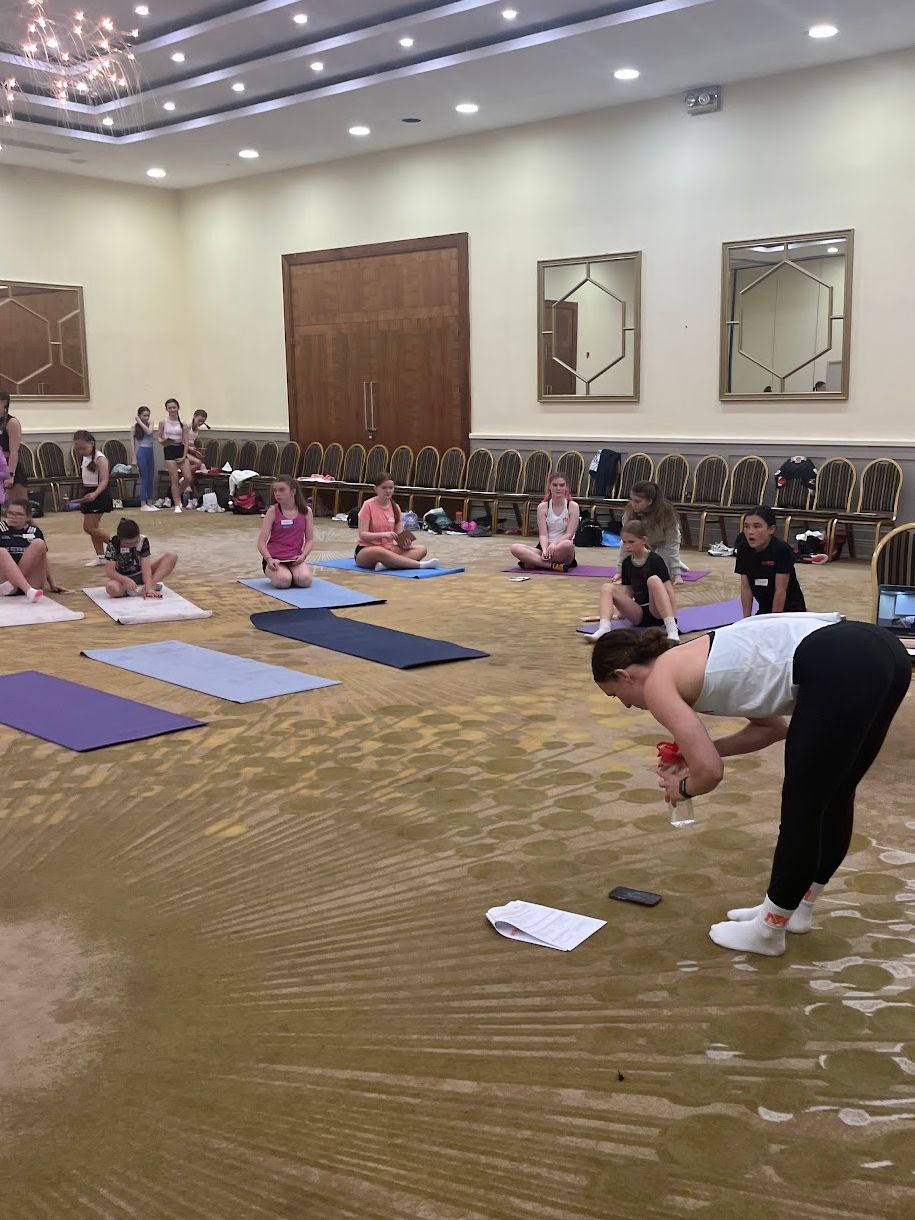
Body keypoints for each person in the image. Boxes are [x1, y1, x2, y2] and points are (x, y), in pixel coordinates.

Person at [590, 614, 911, 957]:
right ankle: (796, 909)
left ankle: (769, 932)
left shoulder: (659, 684)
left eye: (616, 695)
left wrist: (680, 789)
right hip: (884, 652)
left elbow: (709, 773)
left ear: (624, 675)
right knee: (833, 797)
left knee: (802, 810)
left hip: (840, 659)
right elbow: (771, 728)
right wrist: (699, 752)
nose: (627, 705)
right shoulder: (692, 660)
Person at [589, 521, 679, 643]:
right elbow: (629, 593)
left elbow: (669, 592)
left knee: (653, 580)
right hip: (639, 615)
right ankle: (604, 628)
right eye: (624, 542)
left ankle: (671, 629)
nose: (627, 546)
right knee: (607, 587)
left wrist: (674, 619)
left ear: (643, 540)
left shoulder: (655, 560)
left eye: (631, 542)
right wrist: (622, 612)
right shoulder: (626, 563)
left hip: (657, 613)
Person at [355, 473, 439, 570]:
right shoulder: (368, 505)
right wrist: (383, 535)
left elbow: (399, 535)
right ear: (376, 489)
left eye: (391, 488)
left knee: (421, 549)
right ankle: (419, 565)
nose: (388, 491)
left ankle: (387, 564)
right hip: (367, 549)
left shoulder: (395, 507)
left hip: (389, 548)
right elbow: (363, 534)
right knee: (379, 551)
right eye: (384, 488)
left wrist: (405, 543)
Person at [735, 505, 806, 617]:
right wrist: (746, 620)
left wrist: (773, 621)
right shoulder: (743, 549)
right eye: (746, 526)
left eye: (757, 526)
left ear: (771, 529)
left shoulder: (782, 550)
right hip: (765, 609)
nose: (750, 532)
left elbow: (780, 591)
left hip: (791, 611)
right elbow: (746, 588)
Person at [510, 472, 580, 571]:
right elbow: (543, 534)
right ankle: (552, 566)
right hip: (545, 547)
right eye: (555, 485)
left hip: (562, 547)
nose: (558, 488)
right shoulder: (542, 507)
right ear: (549, 487)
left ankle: (534, 562)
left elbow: (569, 534)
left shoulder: (573, 506)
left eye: (562, 485)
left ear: (567, 487)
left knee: (567, 544)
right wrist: (545, 549)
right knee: (515, 547)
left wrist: (554, 544)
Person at [620, 481, 683, 585]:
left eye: (637, 501)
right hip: (643, 543)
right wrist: (620, 571)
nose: (632, 504)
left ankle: (678, 565)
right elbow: (626, 543)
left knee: (661, 575)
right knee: (639, 571)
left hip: (663, 543)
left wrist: (676, 573)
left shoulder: (667, 513)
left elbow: (672, 544)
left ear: (649, 501)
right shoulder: (630, 512)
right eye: (631, 500)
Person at [257, 475, 314, 588]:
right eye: (275, 490)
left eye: (282, 490)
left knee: (305, 580)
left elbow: (310, 539)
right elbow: (261, 542)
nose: (277, 494)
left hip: (294, 558)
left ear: (293, 491)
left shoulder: (306, 511)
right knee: (283, 581)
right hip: (274, 559)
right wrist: (269, 559)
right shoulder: (272, 512)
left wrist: (303, 555)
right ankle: (282, 573)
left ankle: (292, 572)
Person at [0, 498, 65, 594]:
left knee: (39, 543)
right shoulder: (1, 528)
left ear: (28, 517)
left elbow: (44, 560)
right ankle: (23, 588)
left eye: (19, 514)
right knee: (1, 551)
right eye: (11, 513)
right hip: (4, 578)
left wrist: (52, 584)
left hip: (30, 580)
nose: (14, 517)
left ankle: (14, 584)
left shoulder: (34, 531)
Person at [104, 518, 177, 599]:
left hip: (140, 573)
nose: (131, 545)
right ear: (120, 539)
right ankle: (130, 591)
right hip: (121, 578)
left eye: (135, 542)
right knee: (111, 588)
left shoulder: (143, 540)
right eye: (127, 543)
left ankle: (150, 586)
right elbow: (109, 571)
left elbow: (146, 567)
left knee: (171, 556)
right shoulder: (113, 543)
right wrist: (125, 580)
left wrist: (149, 588)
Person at [73, 430, 112, 566]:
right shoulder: (85, 458)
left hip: (99, 493)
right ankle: (101, 557)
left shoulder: (100, 458)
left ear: (92, 443)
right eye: (78, 449)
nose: (81, 451)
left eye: (83, 448)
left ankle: (116, 545)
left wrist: (95, 494)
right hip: (89, 491)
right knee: (93, 527)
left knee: (89, 527)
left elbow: (105, 480)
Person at [157, 398, 187, 514]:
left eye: (174, 407)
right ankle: (177, 504)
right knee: (174, 478)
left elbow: (186, 441)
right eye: (170, 408)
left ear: (178, 408)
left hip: (180, 449)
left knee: (188, 477)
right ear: (166, 409)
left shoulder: (183, 423)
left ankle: (176, 495)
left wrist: (184, 456)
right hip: (169, 449)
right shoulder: (163, 422)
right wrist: (164, 441)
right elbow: (159, 438)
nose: (172, 410)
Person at [130, 406, 157, 511]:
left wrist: (140, 422)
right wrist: (134, 458)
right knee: (144, 478)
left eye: (148, 415)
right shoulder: (134, 427)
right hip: (141, 452)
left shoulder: (150, 423)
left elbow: (149, 432)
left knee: (150, 478)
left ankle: (149, 502)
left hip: (150, 452)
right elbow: (132, 444)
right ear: (139, 415)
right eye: (144, 415)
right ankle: (143, 504)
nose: (146, 418)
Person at [181, 409, 209, 506]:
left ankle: (190, 497)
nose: (200, 423)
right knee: (198, 463)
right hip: (183, 451)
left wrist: (197, 451)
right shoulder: (187, 427)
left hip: (191, 451)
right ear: (194, 416)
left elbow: (192, 442)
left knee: (199, 465)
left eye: (203, 422)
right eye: (199, 420)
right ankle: (184, 479)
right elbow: (182, 442)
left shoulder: (197, 429)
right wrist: (192, 450)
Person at [0, 391, 25, 490]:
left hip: (8, 467)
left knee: (13, 500)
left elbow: (14, 451)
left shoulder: (11, 422)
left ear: (4, 403)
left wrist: (10, 475)